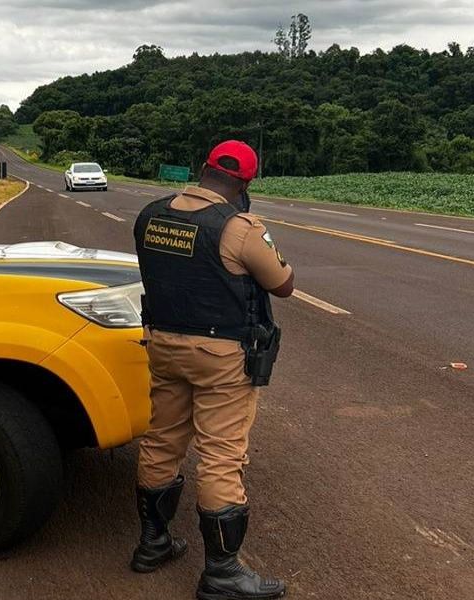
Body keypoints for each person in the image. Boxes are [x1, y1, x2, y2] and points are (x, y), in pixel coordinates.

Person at [130, 140, 293, 600]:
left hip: (162, 342)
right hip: (220, 354)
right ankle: (222, 573)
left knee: (162, 440)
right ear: (244, 185)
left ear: (202, 170)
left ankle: (153, 543)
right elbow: (283, 285)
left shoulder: (151, 214)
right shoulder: (239, 227)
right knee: (221, 456)